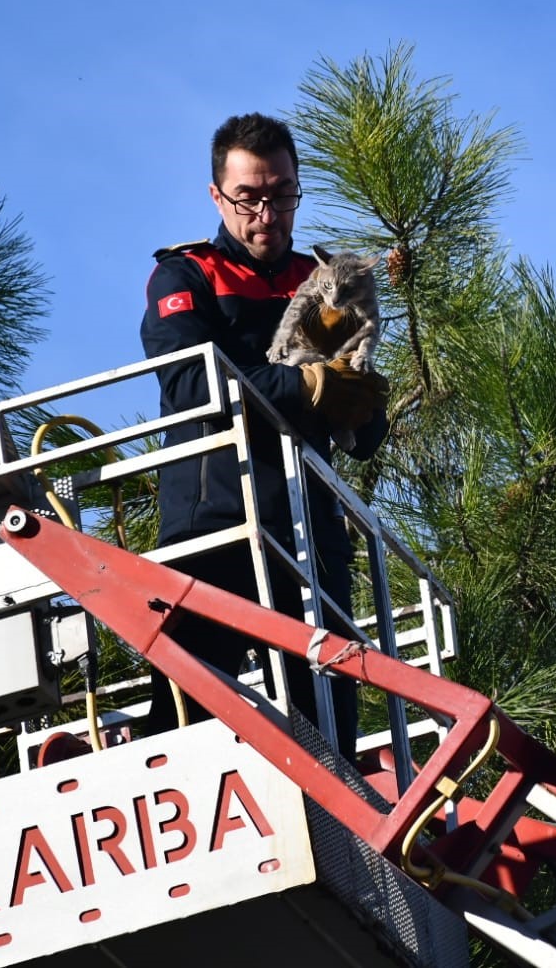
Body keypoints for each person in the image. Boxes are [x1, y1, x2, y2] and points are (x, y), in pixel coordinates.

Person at [139, 112, 388, 759]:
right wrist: (305, 387)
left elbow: (362, 424)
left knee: (331, 732)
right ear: (217, 196)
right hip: (211, 530)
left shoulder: (329, 283)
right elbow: (192, 387)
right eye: (249, 196)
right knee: (186, 722)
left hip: (312, 535)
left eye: (281, 194)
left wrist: (360, 409)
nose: (266, 213)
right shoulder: (185, 276)